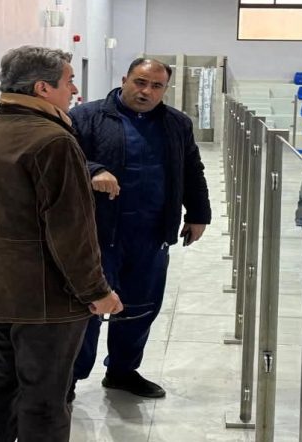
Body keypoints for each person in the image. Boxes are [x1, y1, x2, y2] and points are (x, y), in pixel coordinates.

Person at [0, 45, 123, 442]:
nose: (74, 90)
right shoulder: (53, 141)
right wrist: (96, 291)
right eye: (69, 81)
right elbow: (71, 231)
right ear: (42, 88)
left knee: (0, 382)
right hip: (47, 294)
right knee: (45, 395)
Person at [69, 58, 211, 399]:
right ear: (125, 79)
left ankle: (122, 371)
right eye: (140, 82)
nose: (146, 91)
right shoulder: (86, 117)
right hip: (98, 234)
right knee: (87, 310)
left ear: (165, 89)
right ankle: (67, 380)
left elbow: (192, 169)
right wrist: (93, 169)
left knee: (141, 307)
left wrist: (199, 214)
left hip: (151, 234)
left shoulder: (176, 123)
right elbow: (64, 159)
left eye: (156, 86)